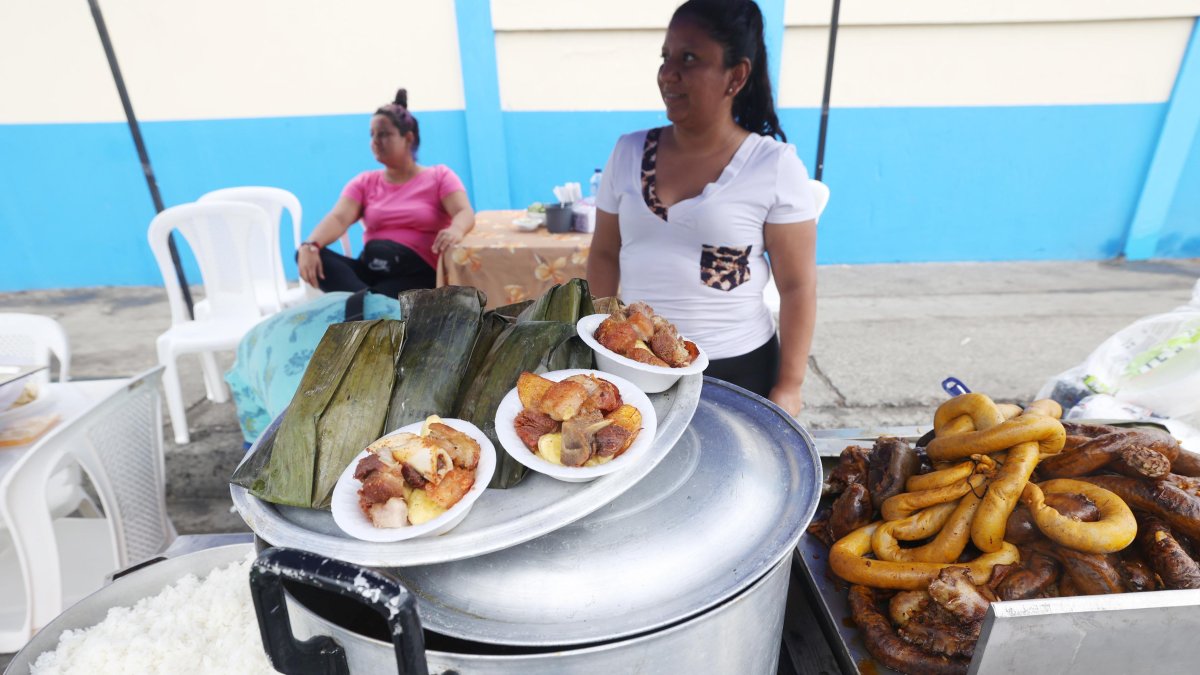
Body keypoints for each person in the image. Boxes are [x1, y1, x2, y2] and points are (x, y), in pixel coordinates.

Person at [587, 0, 818, 415]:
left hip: (738, 369)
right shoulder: (628, 151)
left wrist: (790, 384)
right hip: (636, 365)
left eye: (689, 58)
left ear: (736, 75)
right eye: (666, 57)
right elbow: (604, 253)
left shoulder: (775, 165)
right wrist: (596, 339)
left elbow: (798, 287)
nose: (668, 74)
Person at [297, 88, 475, 298]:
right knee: (307, 254)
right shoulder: (364, 182)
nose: (375, 141)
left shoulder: (439, 176)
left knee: (379, 298)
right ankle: (368, 300)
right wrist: (311, 246)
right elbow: (339, 217)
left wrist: (456, 229)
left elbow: (464, 211)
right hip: (371, 271)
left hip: (419, 274)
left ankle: (364, 303)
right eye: (372, 135)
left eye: (384, 134)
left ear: (408, 138)